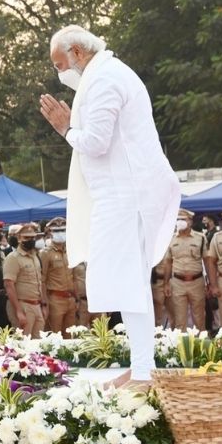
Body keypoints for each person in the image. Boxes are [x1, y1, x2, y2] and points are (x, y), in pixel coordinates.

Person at [38, 24, 181, 388]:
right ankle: (141, 366)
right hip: (120, 194)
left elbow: (97, 143)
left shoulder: (105, 79)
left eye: (60, 64)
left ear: (78, 53)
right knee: (127, 281)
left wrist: (66, 129)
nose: (60, 73)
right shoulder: (105, 74)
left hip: (125, 195)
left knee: (128, 281)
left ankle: (145, 373)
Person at [162, 208, 209, 331]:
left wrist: (210, 283)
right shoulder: (171, 238)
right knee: (180, 319)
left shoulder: (200, 238)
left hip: (196, 281)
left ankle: (201, 347)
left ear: (190, 222)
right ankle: (182, 347)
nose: (180, 222)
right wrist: (166, 283)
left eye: (183, 219)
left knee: (199, 318)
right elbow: (168, 262)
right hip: (177, 282)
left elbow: (207, 261)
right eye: (178, 219)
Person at [3, 223, 46, 338]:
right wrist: (18, 311)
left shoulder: (35, 256)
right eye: (26, 237)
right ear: (18, 238)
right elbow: (9, 285)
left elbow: (40, 281)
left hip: (36, 305)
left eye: (32, 238)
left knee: (39, 344)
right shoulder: (13, 257)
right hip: (22, 305)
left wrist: (43, 305)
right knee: (23, 345)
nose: (30, 240)